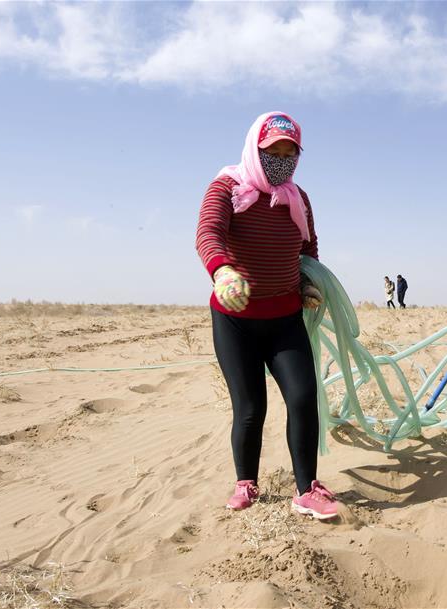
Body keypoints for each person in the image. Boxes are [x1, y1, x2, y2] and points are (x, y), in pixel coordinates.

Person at [196, 111, 339, 519]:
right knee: (250, 408)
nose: (281, 160)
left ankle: (306, 489)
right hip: (235, 320)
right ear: (254, 150)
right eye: (271, 152)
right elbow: (208, 232)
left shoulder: (298, 198)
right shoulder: (226, 188)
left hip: (284, 318)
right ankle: (246, 482)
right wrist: (222, 270)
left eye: (289, 153)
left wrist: (309, 285)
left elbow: (308, 250)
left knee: (302, 396)